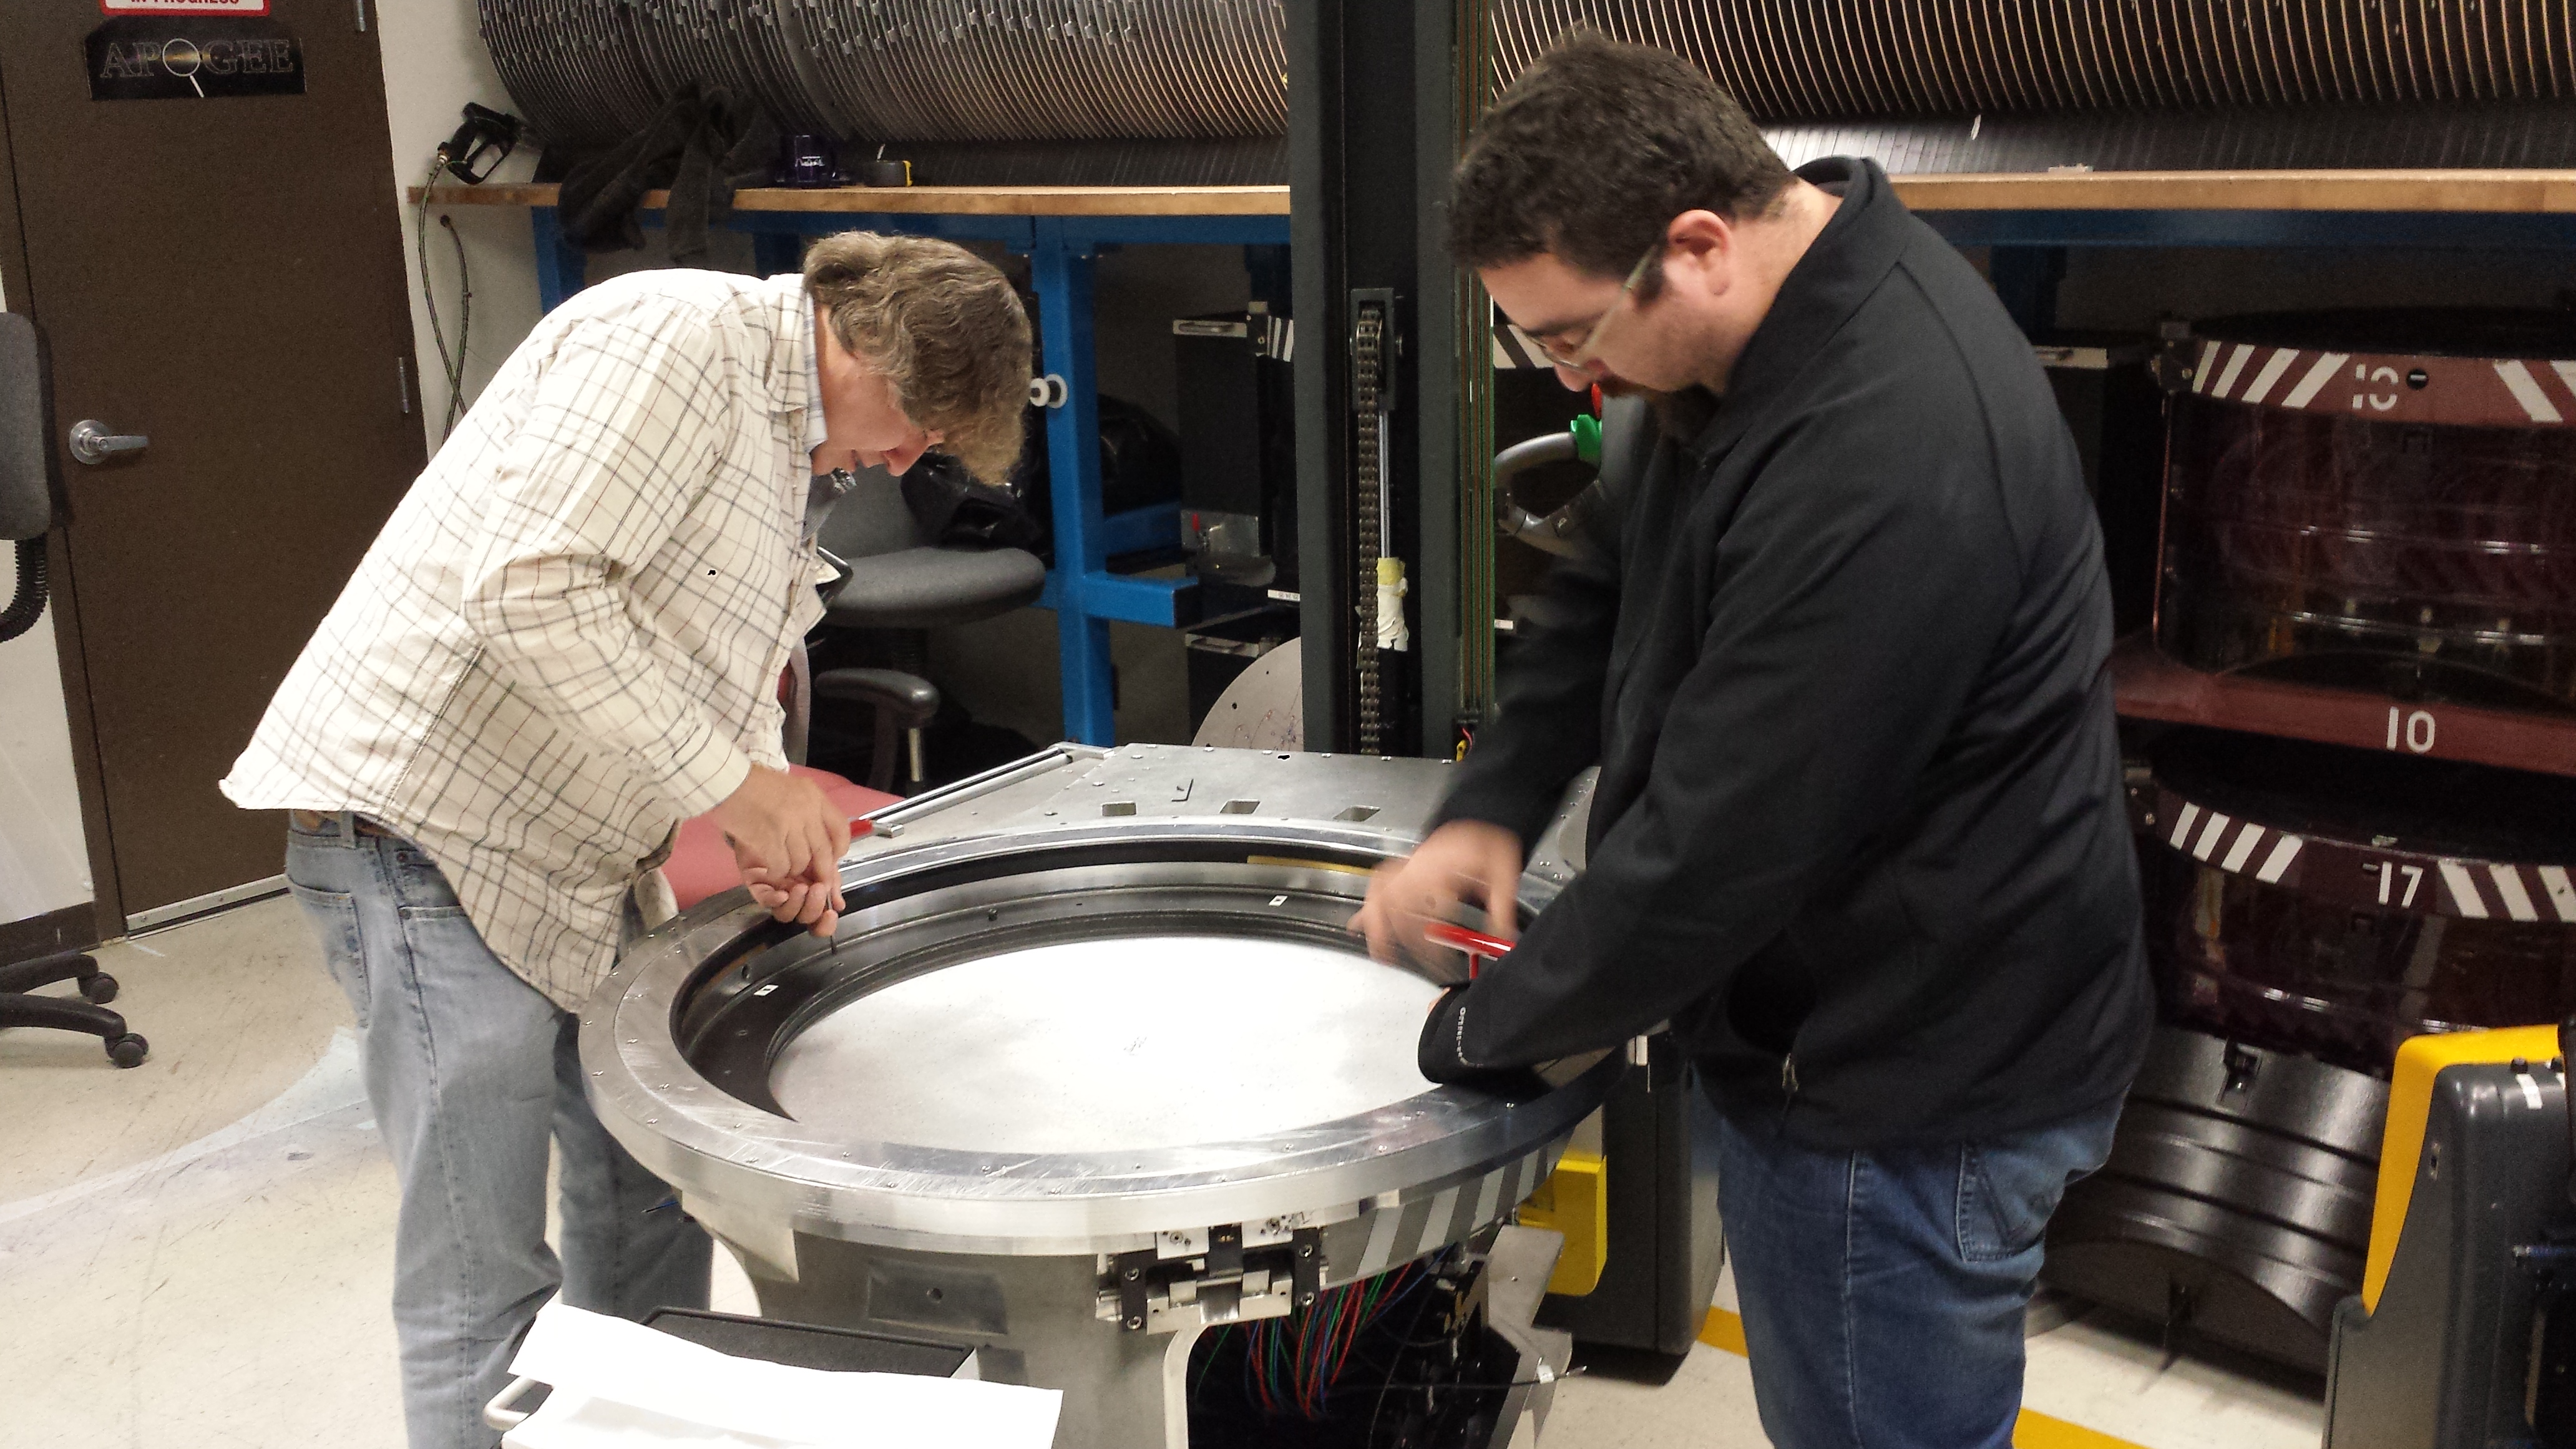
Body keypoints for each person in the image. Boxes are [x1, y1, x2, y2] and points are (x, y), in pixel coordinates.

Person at [1352, 34, 2152, 1449]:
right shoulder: (1753, 338)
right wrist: (1493, 803)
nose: (1569, 377)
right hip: (1843, 1014)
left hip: (1909, 1082)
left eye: (1570, 338)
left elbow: (1726, 842)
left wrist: (1481, 1034)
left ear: (1700, 243)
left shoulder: (1892, 447)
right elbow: (1604, 576)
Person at [221, 232, 1030, 1449]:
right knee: (484, 1287)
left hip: (573, 854)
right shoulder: (677, 340)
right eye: (912, 419)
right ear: (855, 334)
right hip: (428, 832)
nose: (908, 458)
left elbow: (703, 640)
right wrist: (737, 788)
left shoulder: (786, 441)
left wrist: (751, 803)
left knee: (653, 1195)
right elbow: (529, 588)